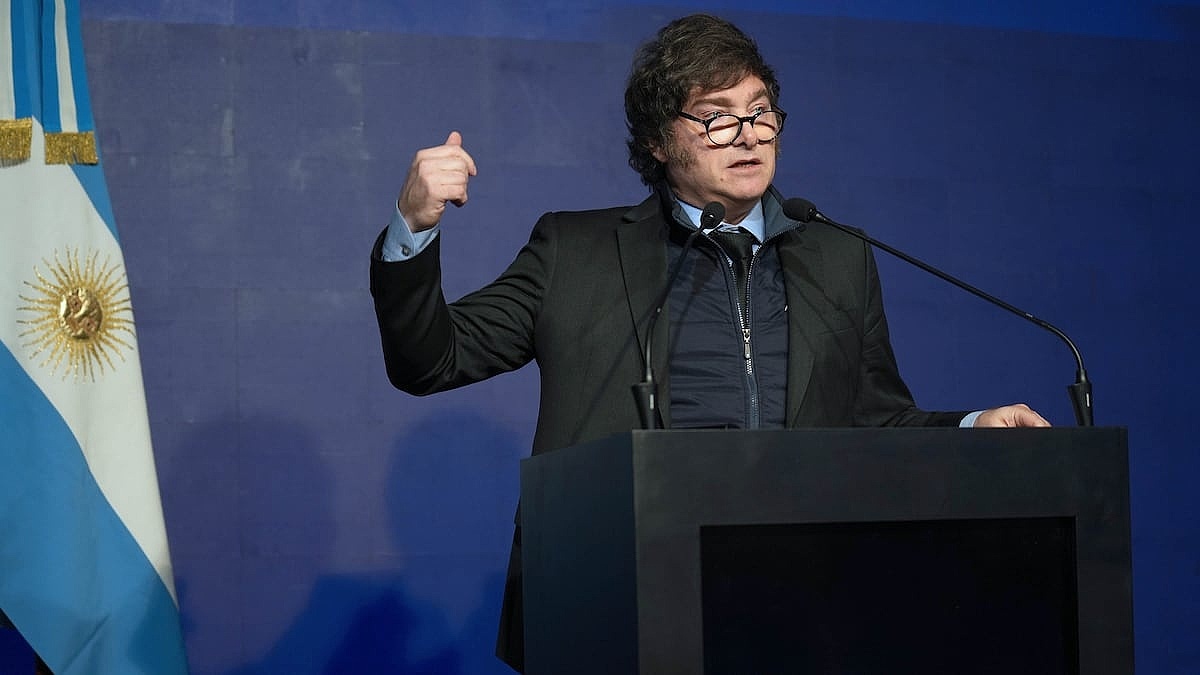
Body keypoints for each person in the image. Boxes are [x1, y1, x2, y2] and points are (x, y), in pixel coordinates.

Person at [369, 13, 1049, 672]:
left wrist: (972, 428)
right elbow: (432, 360)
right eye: (717, 117)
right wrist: (414, 226)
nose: (748, 135)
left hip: (797, 602)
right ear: (658, 141)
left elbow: (875, 420)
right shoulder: (575, 253)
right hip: (618, 597)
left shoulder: (838, 256)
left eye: (760, 113)